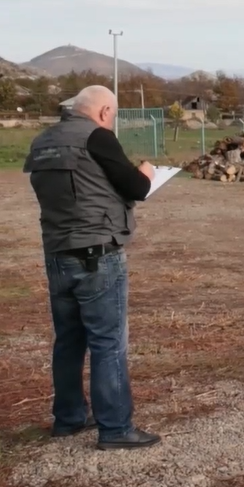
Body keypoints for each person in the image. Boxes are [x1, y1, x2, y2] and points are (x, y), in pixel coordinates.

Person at [23, 85, 162, 450]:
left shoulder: (42, 141)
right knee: (108, 343)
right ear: (103, 112)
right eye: (112, 115)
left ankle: (68, 418)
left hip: (57, 253)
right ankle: (116, 428)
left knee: (69, 340)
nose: (111, 121)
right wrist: (146, 171)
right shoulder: (97, 137)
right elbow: (135, 187)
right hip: (98, 254)